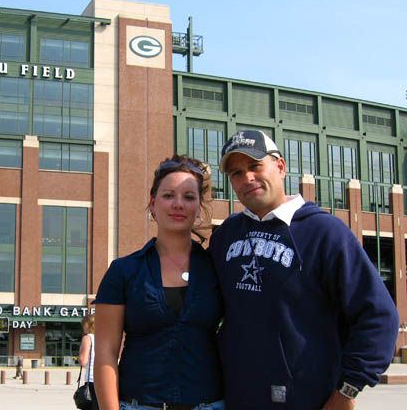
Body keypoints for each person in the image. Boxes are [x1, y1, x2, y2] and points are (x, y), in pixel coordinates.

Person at [210, 129, 399, 410]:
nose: (246, 178)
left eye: (254, 165)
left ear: (280, 166)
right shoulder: (226, 234)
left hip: (310, 400)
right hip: (238, 400)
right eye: (236, 173)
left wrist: (347, 390)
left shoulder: (325, 231)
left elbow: (379, 315)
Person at [94, 155, 225, 410]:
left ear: (199, 207)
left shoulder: (218, 268)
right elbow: (106, 352)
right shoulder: (123, 271)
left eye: (188, 197)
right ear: (153, 203)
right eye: (168, 195)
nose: (178, 204)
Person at [78, 314, 98, 410]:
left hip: (91, 380)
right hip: (104, 379)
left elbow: (83, 361)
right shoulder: (103, 337)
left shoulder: (88, 338)